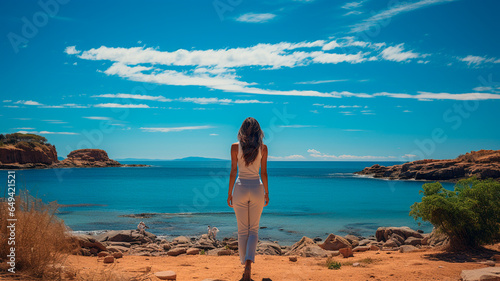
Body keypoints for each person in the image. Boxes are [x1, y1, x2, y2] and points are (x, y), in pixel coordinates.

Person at [227, 117, 269, 281]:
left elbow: (233, 171)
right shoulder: (263, 148)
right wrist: (266, 192)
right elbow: (263, 173)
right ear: (259, 131)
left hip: (240, 188)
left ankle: (245, 267)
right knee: (254, 230)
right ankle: (249, 265)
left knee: (242, 230)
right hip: (257, 188)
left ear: (242, 130)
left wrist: (230, 193)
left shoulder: (234, 147)